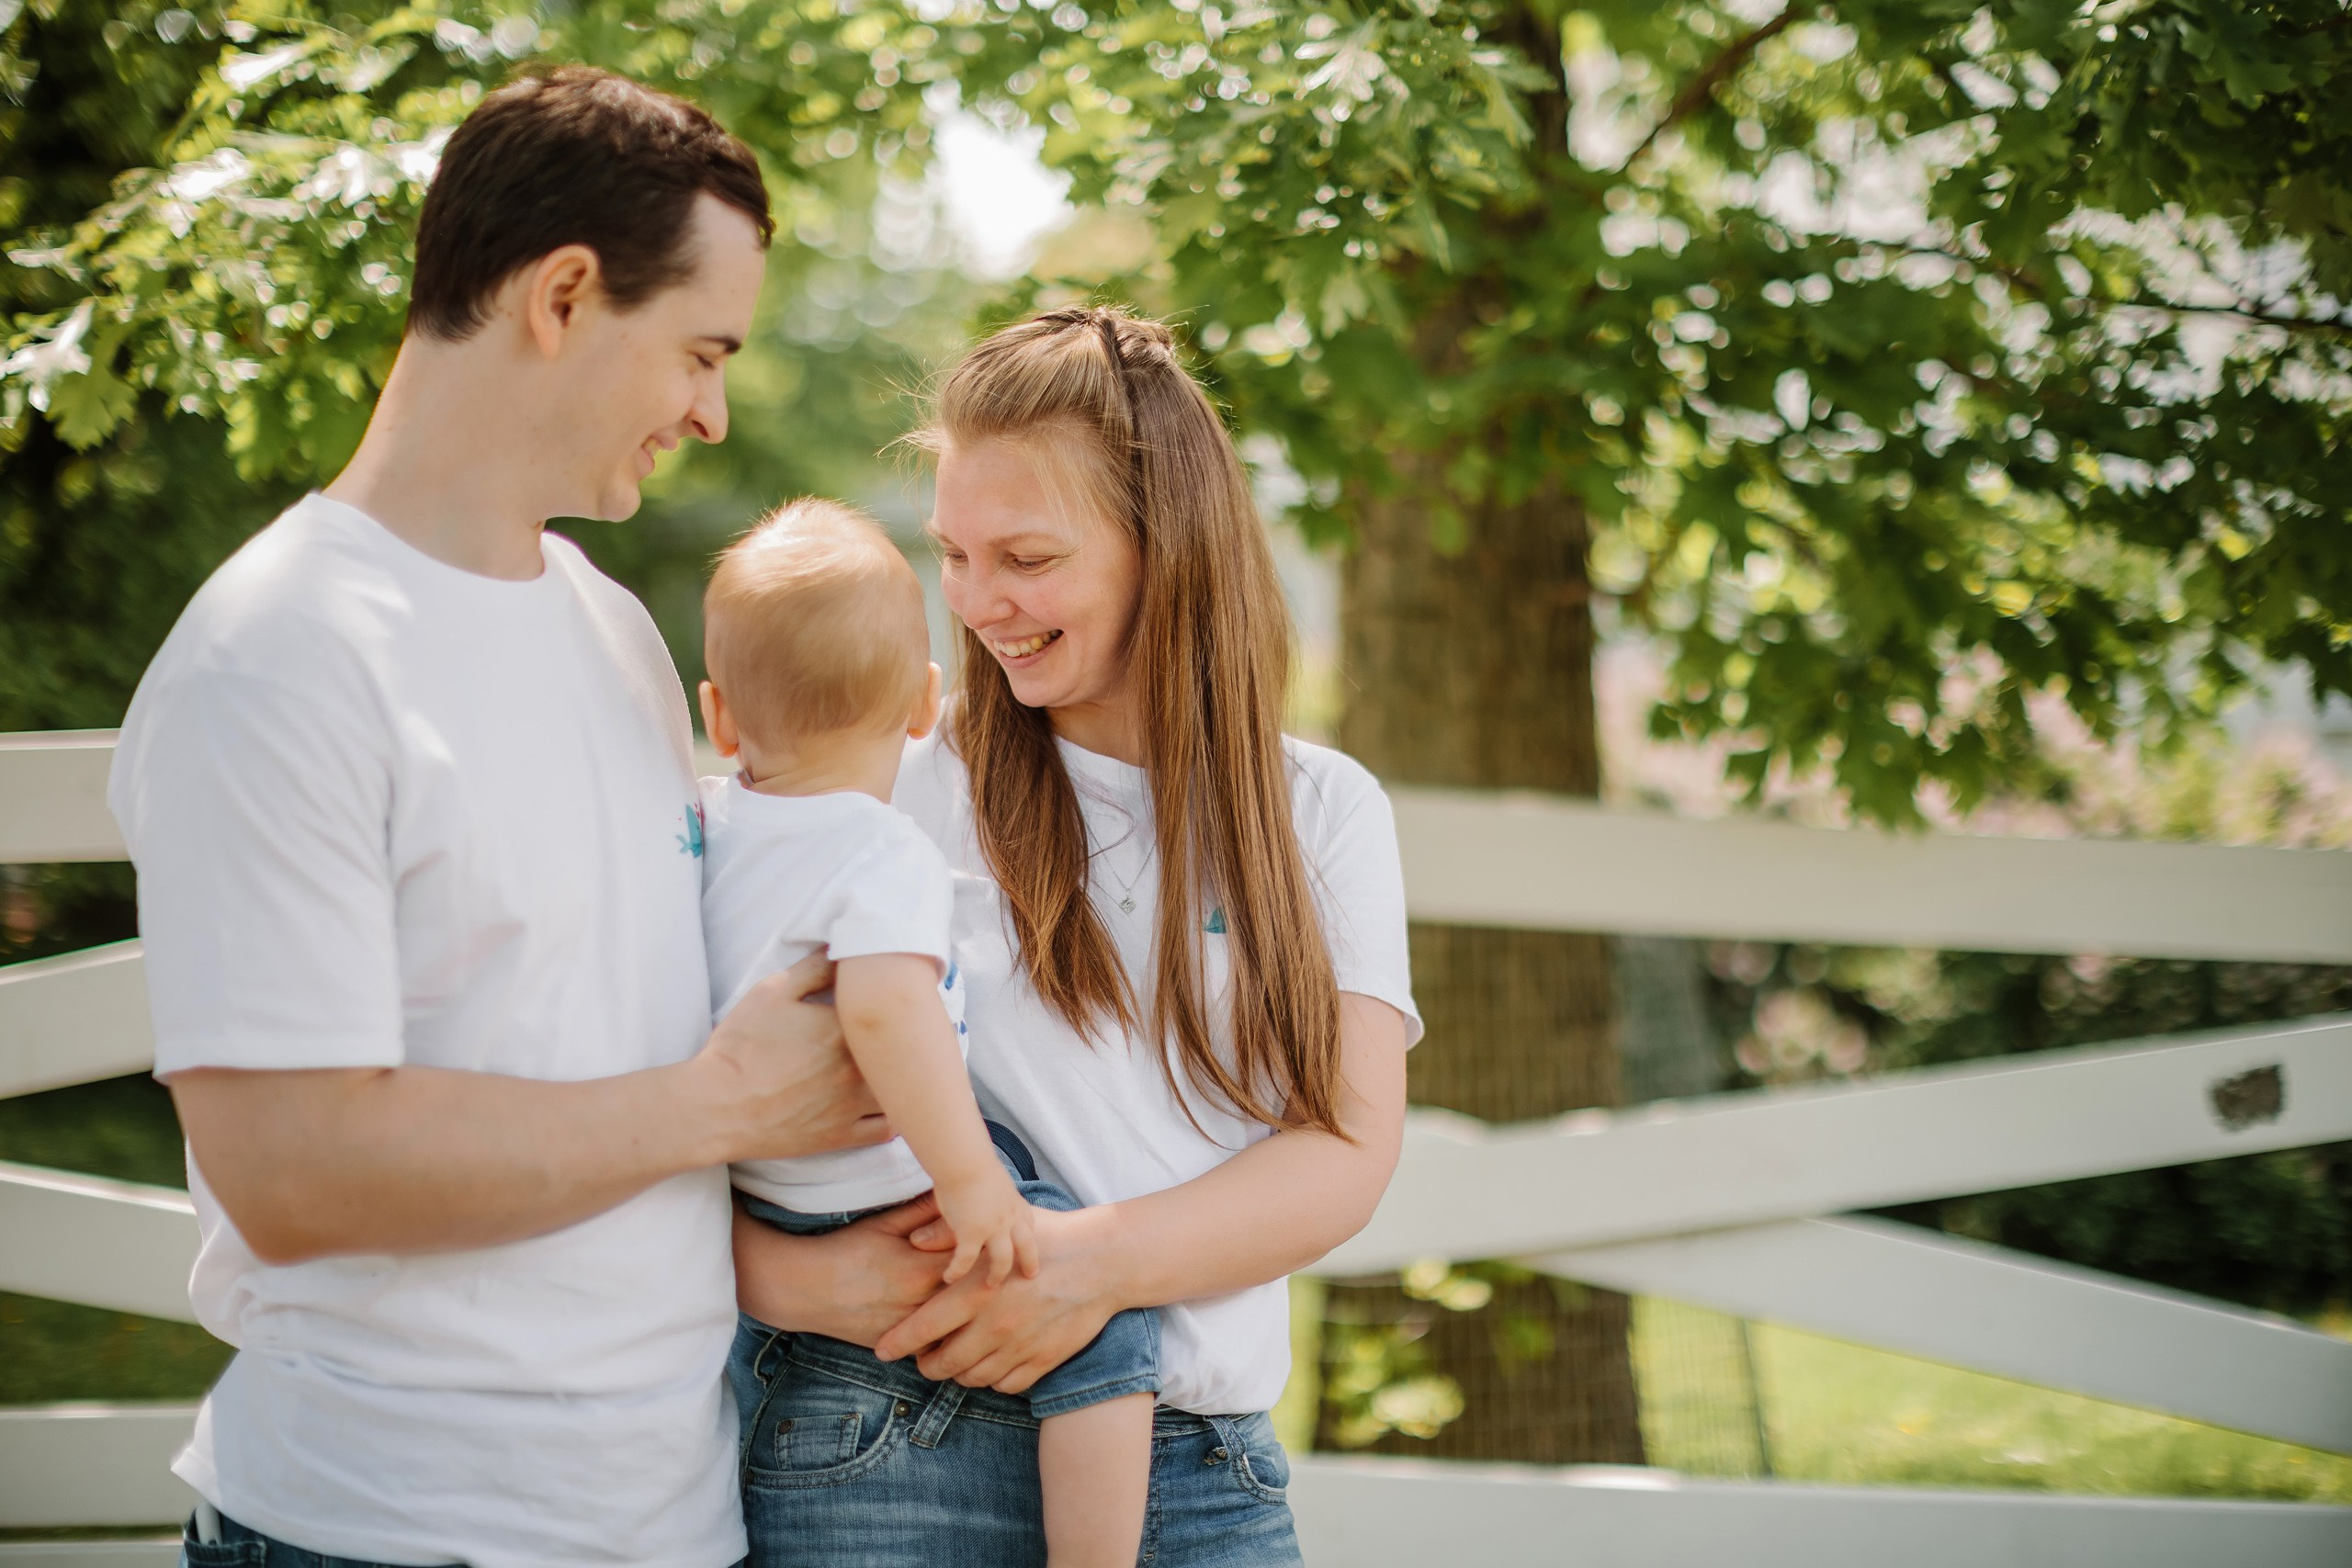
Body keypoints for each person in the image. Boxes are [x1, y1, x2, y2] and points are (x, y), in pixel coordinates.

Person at [107, 68, 887, 1568]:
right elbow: (297, 1168)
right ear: (566, 294)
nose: (715, 415)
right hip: (395, 1533)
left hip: (670, 1525)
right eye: (700, 352)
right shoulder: (279, 656)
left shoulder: (606, 630)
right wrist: (730, 1101)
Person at [725, 307, 1421, 1566]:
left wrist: (1082, 1269)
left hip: (1201, 1466)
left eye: (1028, 558)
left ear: (1167, 543)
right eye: (954, 553)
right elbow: (703, 1099)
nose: (981, 602)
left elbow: (1345, 1149)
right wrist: (792, 1281)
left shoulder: (1320, 812)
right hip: (891, 1436)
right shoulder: (886, 789)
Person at [696, 498, 1161, 1567]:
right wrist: (968, 1181)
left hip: (763, 1191)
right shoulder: (880, 848)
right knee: (1113, 1331)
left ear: (721, 717)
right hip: (883, 1178)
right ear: (923, 706)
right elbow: (884, 1008)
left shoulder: (705, 825)